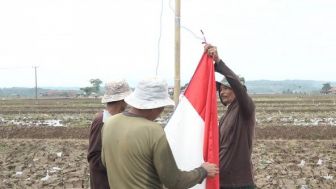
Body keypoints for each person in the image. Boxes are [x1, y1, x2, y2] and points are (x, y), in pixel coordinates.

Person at [101, 78, 219, 189]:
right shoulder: (153, 131)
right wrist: (202, 171)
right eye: (162, 107)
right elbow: (173, 181)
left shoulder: (109, 123)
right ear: (155, 107)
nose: (161, 112)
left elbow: (104, 162)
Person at [205, 44, 256, 189]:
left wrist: (219, 62)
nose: (222, 92)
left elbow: (237, 85)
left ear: (237, 91)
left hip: (240, 182)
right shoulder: (226, 115)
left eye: (226, 88)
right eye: (220, 89)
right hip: (222, 180)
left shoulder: (245, 108)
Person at [87, 79, 131, 189]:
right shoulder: (101, 120)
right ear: (122, 100)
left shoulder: (120, 118)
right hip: (104, 182)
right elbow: (94, 157)